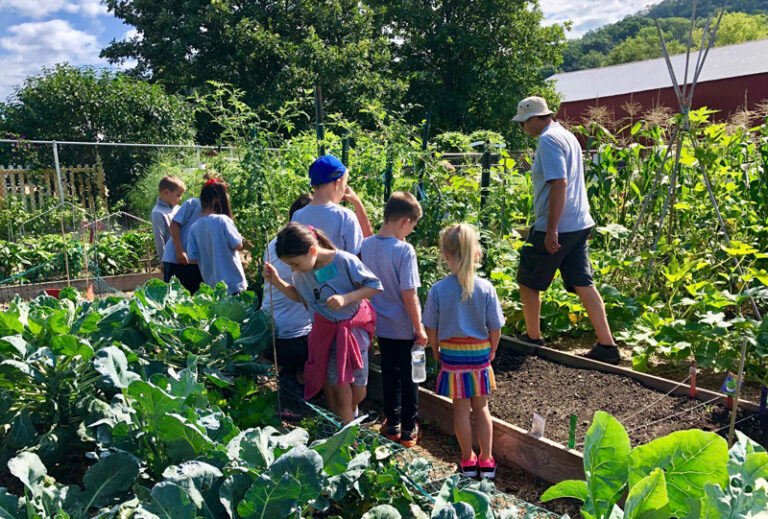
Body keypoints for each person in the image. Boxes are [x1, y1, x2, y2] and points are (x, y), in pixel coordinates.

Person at [513, 96, 620, 365]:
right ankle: (607, 345)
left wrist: (551, 230)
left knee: (527, 279)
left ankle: (533, 338)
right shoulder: (568, 136)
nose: (523, 128)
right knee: (583, 282)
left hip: (559, 224)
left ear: (536, 118)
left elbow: (559, 183)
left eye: (524, 123)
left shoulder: (547, 140)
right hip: (580, 222)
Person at [262, 222, 382, 423]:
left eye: (295, 263)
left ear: (312, 250)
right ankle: (348, 442)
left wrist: (347, 298)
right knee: (341, 394)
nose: (293, 268)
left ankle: (352, 416)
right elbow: (301, 296)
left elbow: (374, 286)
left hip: (353, 333)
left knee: (359, 392)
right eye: (290, 265)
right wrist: (276, 281)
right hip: (326, 336)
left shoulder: (344, 261)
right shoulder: (301, 274)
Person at [423, 224, 504, 479]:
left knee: (460, 409)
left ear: (445, 255)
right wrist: (492, 350)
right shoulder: (486, 288)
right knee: (481, 409)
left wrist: (435, 349)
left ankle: (468, 460)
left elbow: (431, 327)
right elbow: (496, 327)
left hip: (452, 354)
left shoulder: (438, 289)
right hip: (479, 353)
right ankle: (487, 460)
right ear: (476, 253)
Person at [361, 191, 426, 448]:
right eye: (413, 225)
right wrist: (419, 328)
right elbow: (409, 294)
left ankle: (392, 425)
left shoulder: (366, 245)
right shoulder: (404, 250)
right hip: (405, 326)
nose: (411, 231)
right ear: (405, 221)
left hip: (381, 325)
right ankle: (409, 430)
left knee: (390, 375)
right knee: (411, 378)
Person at [261, 194, 314, 391]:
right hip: (293, 340)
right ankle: (298, 379)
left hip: (264, 332)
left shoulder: (274, 243)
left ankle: (292, 377)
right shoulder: (303, 253)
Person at [291, 154, 372, 254]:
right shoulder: (345, 216)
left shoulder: (297, 216)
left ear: (313, 186)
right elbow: (357, 257)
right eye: (344, 185)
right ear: (337, 184)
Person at [186, 179, 247, 295]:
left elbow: (192, 259)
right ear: (217, 200)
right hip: (233, 284)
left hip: (212, 286)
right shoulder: (223, 220)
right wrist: (242, 240)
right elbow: (238, 245)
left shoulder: (193, 228)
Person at [162, 172, 215, 294]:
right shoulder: (193, 203)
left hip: (194, 261)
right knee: (175, 296)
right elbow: (174, 225)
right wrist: (179, 251)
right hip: (177, 258)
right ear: (203, 188)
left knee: (193, 296)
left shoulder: (215, 210)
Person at [151, 176, 185, 262]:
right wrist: (163, 261)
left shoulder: (178, 208)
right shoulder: (158, 213)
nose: (180, 199)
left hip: (183, 255)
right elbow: (159, 239)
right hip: (171, 259)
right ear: (166, 192)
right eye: (178, 195)